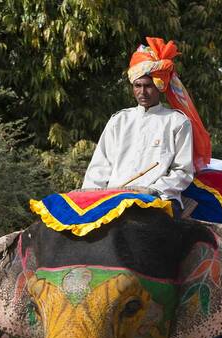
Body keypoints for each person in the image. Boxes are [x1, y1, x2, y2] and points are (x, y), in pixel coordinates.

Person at [82, 37, 210, 209]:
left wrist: (153, 190)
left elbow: (183, 171)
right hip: (113, 198)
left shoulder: (177, 122)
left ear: (160, 86)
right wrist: (88, 196)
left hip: (159, 199)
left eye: (148, 86)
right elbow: (100, 165)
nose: (142, 92)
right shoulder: (118, 120)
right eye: (137, 86)